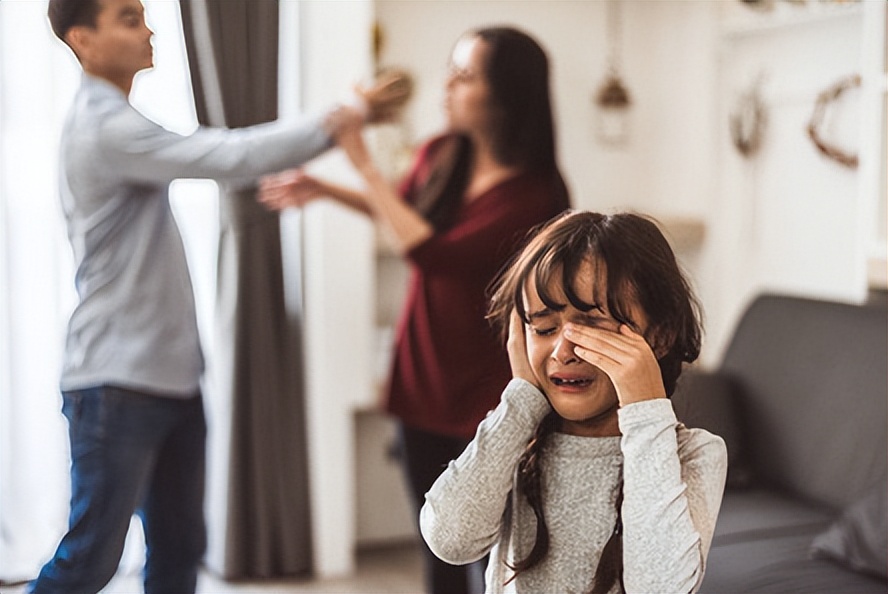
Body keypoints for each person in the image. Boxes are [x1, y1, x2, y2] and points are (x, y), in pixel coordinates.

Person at [31, 1, 408, 593]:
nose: (149, 26)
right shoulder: (104, 125)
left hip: (169, 380)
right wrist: (342, 116)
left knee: (180, 552)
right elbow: (230, 157)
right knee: (90, 560)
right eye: (129, 18)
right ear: (82, 39)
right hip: (115, 384)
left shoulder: (119, 120)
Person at [259, 26, 570, 594]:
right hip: (420, 372)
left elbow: (430, 251)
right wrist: (328, 191)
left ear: (505, 94)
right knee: (438, 544)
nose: (447, 84)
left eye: (465, 74)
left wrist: (362, 165)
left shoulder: (534, 196)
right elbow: (409, 215)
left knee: (492, 554)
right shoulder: (441, 153)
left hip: (491, 390)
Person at [419, 211, 728, 594]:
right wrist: (521, 399)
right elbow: (450, 540)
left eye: (592, 326)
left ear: (660, 337)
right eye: (544, 328)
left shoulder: (695, 454)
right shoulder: (517, 442)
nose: (562, 351)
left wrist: (646, 411)